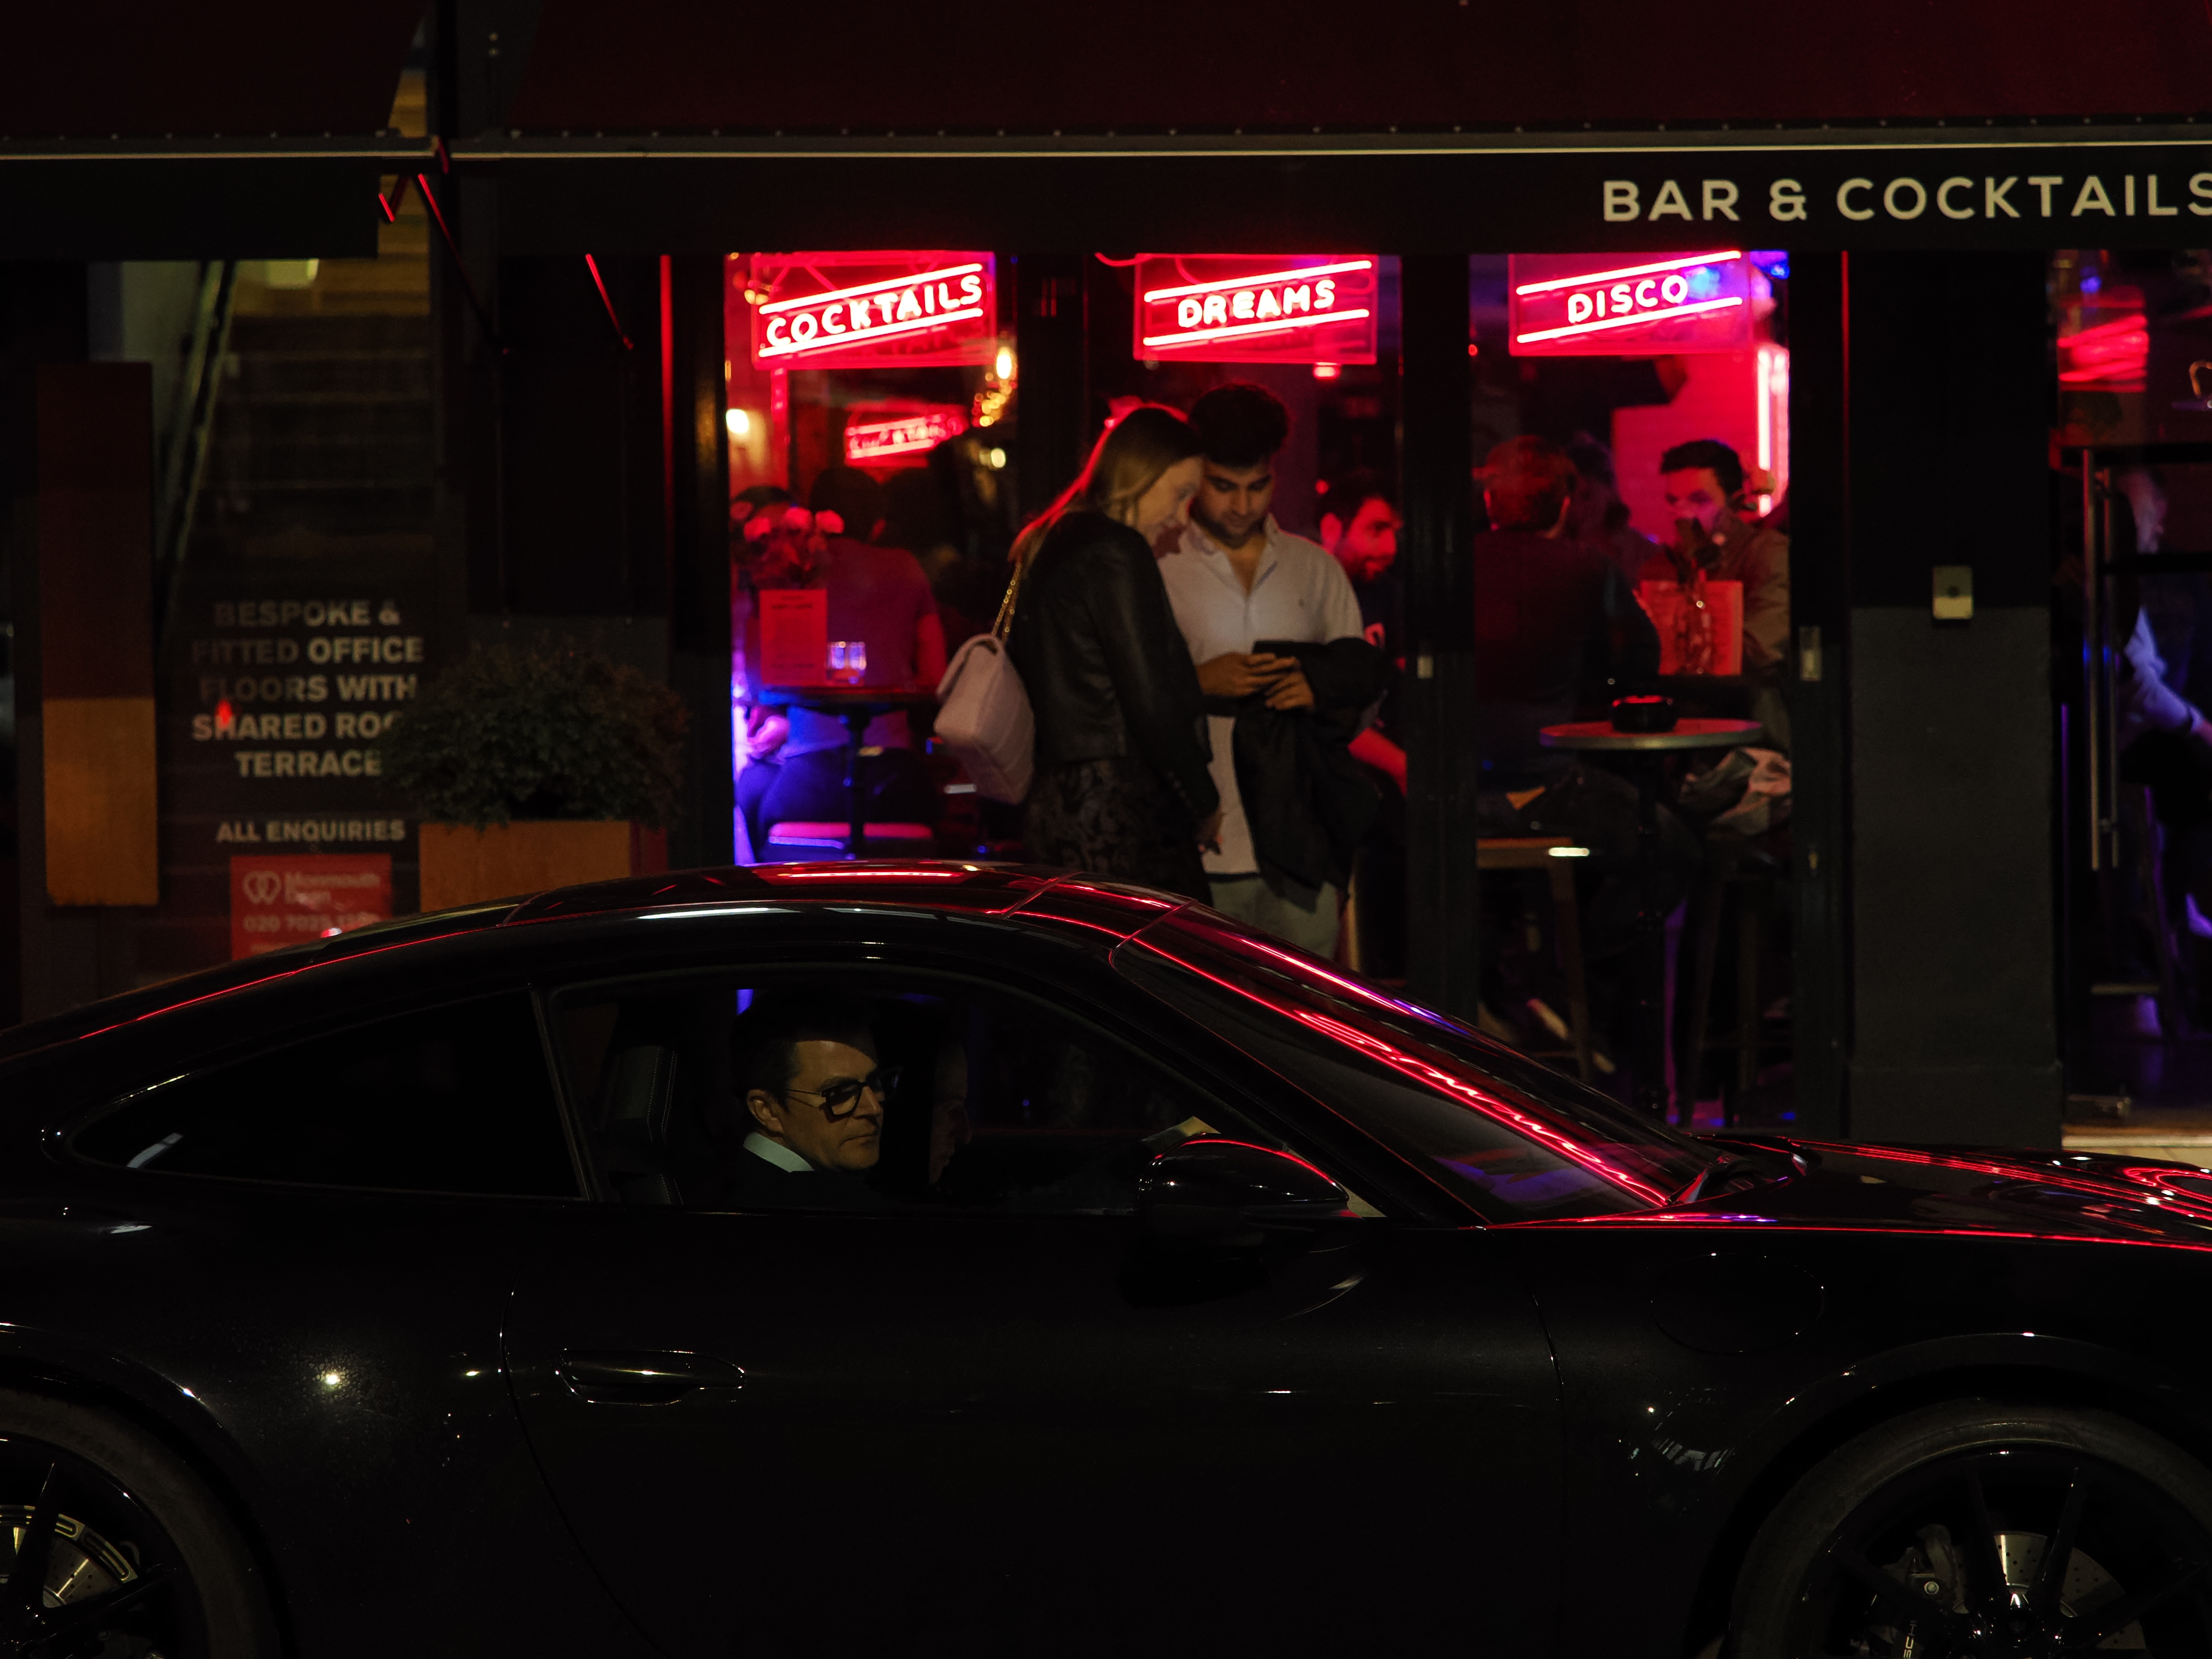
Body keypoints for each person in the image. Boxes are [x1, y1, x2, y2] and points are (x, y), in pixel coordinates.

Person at [1157, 383, 1382, 955]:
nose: (1242, 506)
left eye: (1258, 487)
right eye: (1224, 487)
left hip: (1301, 839)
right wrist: (1199, 682)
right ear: (1194, 476)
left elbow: (1359, 688)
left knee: (1305, 1021)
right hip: (1197, 843)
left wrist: (1315, 690)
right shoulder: (1160, 563)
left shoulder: (1313, 568)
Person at [1004, 405, 1220, 900]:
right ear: (1141, 474)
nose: (1180, 515)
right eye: (1180, 492)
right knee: (1162, 960)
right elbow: (1150, 698)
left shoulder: (1052, 539)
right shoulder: (1117, 550)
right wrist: (1204, 799)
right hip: (1119, 806)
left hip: (1059, 799)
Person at [736, 466, 949, 857]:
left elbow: (757, 680)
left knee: (750, 792)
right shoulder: (906, 567)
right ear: (877, 525)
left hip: (807, 782)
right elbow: (936, 676)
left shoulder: (790, 570)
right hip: (893, 777)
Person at [1637, 438, 1790, 743]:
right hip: (1680, 737)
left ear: (1734, 502)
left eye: (1699, 500)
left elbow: (1757, 651)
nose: (1682, 513)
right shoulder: (1664, 568)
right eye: (1672, 501)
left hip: (1749, 741)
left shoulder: (1766, 555)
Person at [1321, 467, 1409, 973]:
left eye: (1393, 530)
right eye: (1376, 530)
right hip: (1341, 761)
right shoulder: (1315, 589)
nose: (1391, 545)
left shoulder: (1386, 593)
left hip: (1379, 755)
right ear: (1334, 528)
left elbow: (1398, 687)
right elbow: (1329, 713)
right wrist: (1402, 764)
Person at [730, 1001, 895, 1208]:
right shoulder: (835, 1205)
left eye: (874, 1083)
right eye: (840, 1093)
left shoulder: (725, 1180)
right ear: (767, 1111)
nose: (874, 1108)